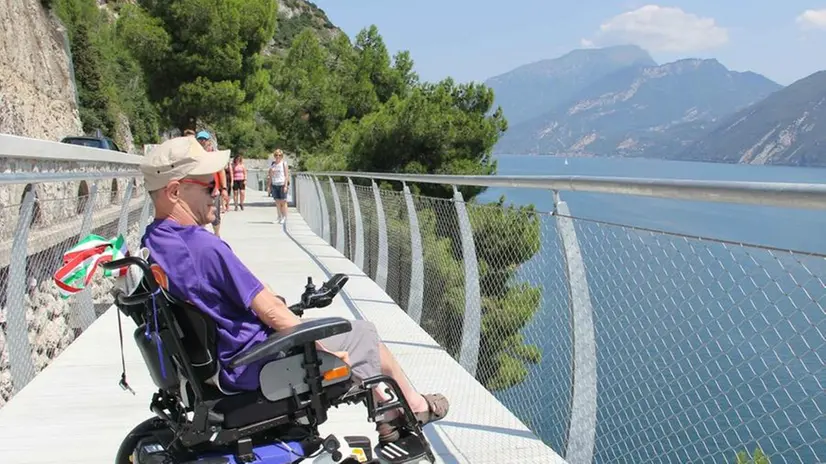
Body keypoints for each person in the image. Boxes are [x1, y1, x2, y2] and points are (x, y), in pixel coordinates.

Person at [137, 136, 449, 443]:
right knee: (361, 333)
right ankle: (401, 415)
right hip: (250, 365)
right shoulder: (204, 248)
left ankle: (401, 407)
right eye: (209, 186)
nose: (217, 193)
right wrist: (325, 351)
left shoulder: (154, 242)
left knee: (352, 336)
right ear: (175, 191)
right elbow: (272, 312)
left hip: (221, 361)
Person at [195, 131, 228, 237]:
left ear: (208, 141)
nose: (202, 141)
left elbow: (221, 171)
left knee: (215, 214)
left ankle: (217, 234)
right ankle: (201, 235)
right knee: (200, 213)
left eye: (204, 139)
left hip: (214, 188)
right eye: (200, 139)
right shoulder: (195, 154)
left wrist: (224, 188)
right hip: (199, 188)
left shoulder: (214, 155)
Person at [266, 149, 289, 224]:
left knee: (283, 201)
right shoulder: (273, 164)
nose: (277, 157)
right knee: (277, 201)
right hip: (275, 184)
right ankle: (279, 216)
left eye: (279, 155)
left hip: (282, 183)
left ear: (282, 156)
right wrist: (269, 186)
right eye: (276, 155)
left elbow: (286, 175)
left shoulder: (284, 163)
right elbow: (270, 176)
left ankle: (284, 217)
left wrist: (285, 186)